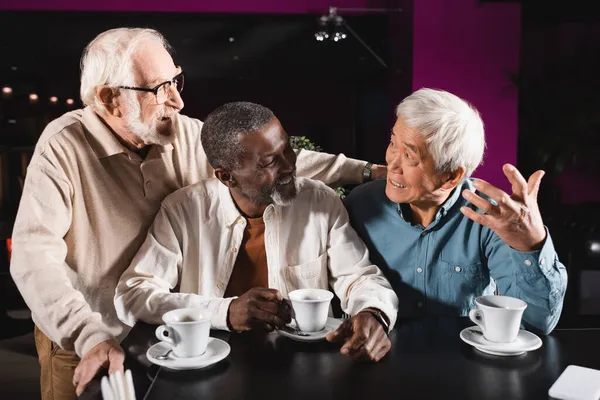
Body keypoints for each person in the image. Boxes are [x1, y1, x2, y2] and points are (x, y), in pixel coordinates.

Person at [9, 28, 386, 399]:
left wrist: (369, 172)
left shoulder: (182, 132)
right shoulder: (62, 147)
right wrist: (88, 335)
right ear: (110, 99)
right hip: (87, 332)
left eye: (176, 81)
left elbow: (268, 159)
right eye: (159, 89)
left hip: (165, 330)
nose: (177, 101)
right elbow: (33, 261)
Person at [114, 101, 399, 364]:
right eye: (269, 162)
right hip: (210, 367)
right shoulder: (183, 210)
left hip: (306, 366)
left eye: (287, 149)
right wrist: (225, 312)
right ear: (226, 176)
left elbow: (358, 276)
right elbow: (133, 294)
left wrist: (373, 312)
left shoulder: (319, 201)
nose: (289, 166)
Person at [345, 88, 567, 334]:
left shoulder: (490, 219)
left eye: (409, 155)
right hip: (380, 354)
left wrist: (531, 246)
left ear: (451, 176)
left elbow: (534, 323)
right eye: (393, 144)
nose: (392, 163)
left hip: (464, 361)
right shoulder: (361, 204)